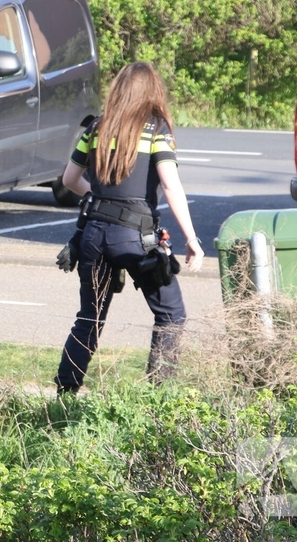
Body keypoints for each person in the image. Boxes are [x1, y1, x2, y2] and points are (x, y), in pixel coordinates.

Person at [54, 62, 204, 395]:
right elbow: (170, 184)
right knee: (171, 314)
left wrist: (101, 198)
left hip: (93, 236)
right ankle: (159, 398)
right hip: (137, 240)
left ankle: (64, 396)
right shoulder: (156, 129)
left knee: (89, 319)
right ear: (153, 92)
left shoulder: (96, 128)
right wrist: (191, 238)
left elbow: (69, 181)